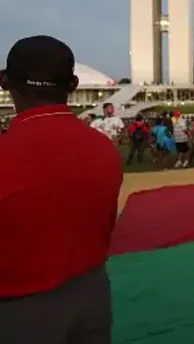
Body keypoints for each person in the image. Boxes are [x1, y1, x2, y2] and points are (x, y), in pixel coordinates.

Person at [0, 35, 122, 343]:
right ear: (73, 84)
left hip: (19, 306)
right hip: (91, 294)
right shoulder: (103, 147)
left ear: (4, 81)